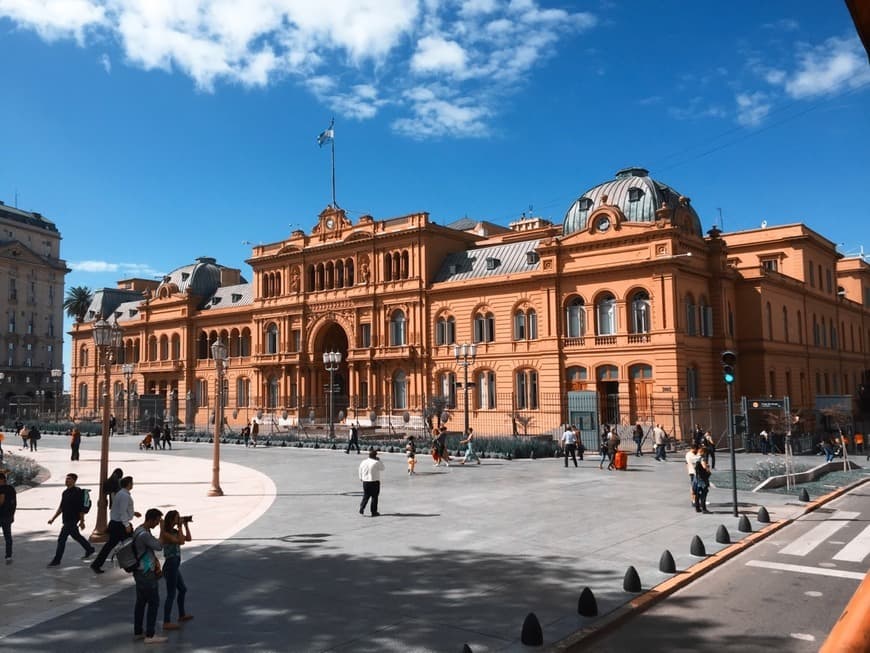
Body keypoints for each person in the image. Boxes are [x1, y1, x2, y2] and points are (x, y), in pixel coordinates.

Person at [131, 508, 167, 644]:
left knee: (140, 602)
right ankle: (150, 635)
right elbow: (158, 546)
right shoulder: (145, 535)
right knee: (154, 602)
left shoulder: (138, 530)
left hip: (139, 571)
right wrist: (163, 530)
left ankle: (138, 631)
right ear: (151, 519)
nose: (157, 524)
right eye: (157, 521)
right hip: (146, 573)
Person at [92, 475, 140, 574]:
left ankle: (96, 564)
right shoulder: (125, 496)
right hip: (120, 525)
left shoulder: (120, 494)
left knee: (109, 545)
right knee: (131, 544)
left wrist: (133, 513)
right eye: (132, 483)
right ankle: (135, 565)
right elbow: (122, 511)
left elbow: (119, 509)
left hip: (115, 524)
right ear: (129, 484)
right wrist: (127, 525)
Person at [47, 473, 95, 566]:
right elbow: (61, 507)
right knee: (76, 536)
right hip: (66, 519)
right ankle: (89, 549)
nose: (67, 481)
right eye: (66, 479)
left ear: (74, 481)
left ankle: (57, 560)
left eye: (69, 479)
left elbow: (81, 509)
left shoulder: (77, 492)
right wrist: (53, 519)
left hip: (73, 520)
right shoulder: (65, 493)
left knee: (61, 539)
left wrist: (82, 521)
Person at [159, 511, 193, 631]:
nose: (179, 519)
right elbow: (180, 541)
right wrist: (180, 527)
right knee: (171, 594)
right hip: (170, 565)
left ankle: (182, 614)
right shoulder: (166, 533)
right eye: (177, 518)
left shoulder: (174, 531)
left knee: (182, 589)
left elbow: (188, 538)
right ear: (171, 520)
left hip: (175, 565)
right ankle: (166, 621)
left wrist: (185, 525)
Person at [358, 447, 385, 517]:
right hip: (374, 481)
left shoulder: (363, 462)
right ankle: (374, 512)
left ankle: (362, 507)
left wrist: (361, 478)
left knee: (366, 495)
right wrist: (379, 460)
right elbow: (383, 468)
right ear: (375, 456)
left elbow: (360, 470)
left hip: (365, 481)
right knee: (374, 497)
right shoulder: (376, 462)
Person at [0, 471, 16, 563]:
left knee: (7, 537)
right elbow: (14, 503)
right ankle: (8, 556)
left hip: (1, 515)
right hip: (8, 516)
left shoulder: (1, 489)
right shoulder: (11, 489)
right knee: (8, 537)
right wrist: (13, 515)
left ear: (2, 480)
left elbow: (1, 501)